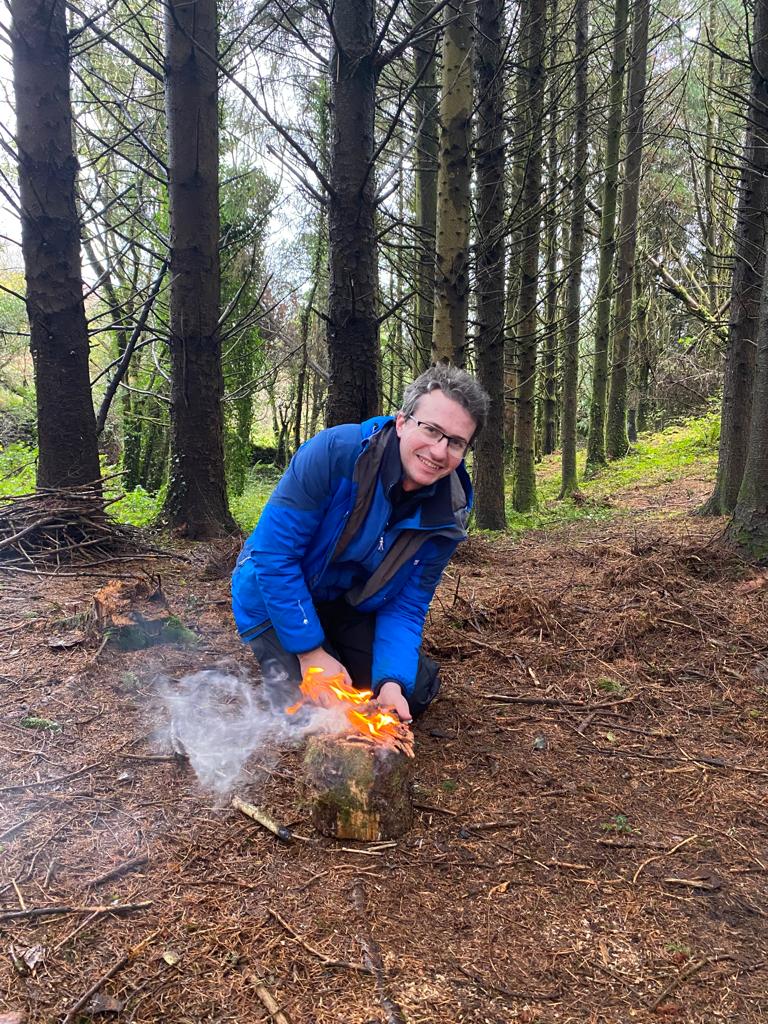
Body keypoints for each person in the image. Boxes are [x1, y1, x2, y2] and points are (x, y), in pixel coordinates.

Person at [231, 364, 490, 722]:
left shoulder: (448, 514)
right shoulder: (334, 453)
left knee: (409, 692)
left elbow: (407, 605)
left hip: (348, 603)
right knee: (319, 712)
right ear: (402, 422)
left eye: (456, 442)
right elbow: (273, 556)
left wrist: (392, 684)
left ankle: (346, 655)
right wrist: (310, 653)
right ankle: (297, 647)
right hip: (271, 592)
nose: (439, 450)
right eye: (431, 430)